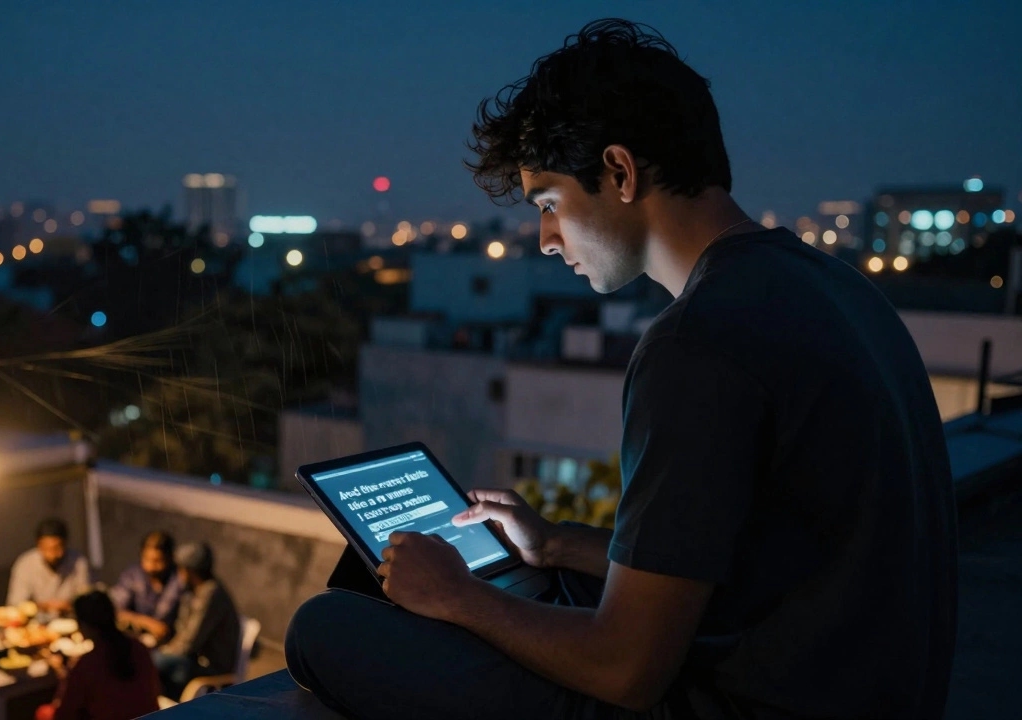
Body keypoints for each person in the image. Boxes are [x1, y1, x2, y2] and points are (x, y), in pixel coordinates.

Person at [285, 19, 957, 720]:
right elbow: (748, 566)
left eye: (549, 204)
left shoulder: (696, 341)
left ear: (620, 172)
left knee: (327, 627)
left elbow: (625, 670)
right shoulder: (837, 288)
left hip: (742, 703)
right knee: (553, 587)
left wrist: (460, 595)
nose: (546, 240)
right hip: (850, 684)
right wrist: (555, 543)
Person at [35, 591, 160, 720]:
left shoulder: (89, 664)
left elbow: (65, 714)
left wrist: (63, 675)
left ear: (84, 624)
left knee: (44, 713)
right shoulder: (139, 648)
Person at [155, 543, 240, 700]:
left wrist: (164, 653)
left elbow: (190, 642)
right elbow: (182, 629)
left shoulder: (211, 594)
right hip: (193, 660)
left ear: (190, 571)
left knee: (152, 663)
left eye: (180, 570)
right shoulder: (193, 590)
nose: (178, 575)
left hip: (211, 668)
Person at [109, 530, 184, 644]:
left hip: (169, 645)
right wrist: (147, 623)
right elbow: (115, 609)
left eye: (158, 561)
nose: (150, 567)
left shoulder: (179, 580)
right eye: (146, 559)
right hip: (135, 639)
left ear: (169, 558)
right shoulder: (133, 575)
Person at [7, 517, 92, 613]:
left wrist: (70, 605)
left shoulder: (79, 562)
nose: (57, 554)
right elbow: (16, 604)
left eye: (60, 547)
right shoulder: (25, 564)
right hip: (37, 623)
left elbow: (87, 599)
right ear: (40, 545)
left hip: (71, 619)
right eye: (51, 548)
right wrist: (43, 606)